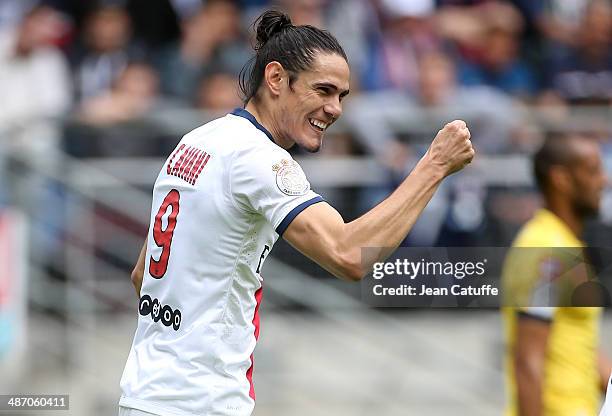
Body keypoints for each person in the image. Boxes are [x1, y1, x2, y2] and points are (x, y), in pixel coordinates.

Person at [118, 10, 474, 416]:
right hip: (201, 402)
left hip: (145, 392)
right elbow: (348, 254)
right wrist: (434, 167)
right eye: (323, 90)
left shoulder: (196, 141)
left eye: (341, 95)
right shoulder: (258, 159)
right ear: (275, 79)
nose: (335, 108)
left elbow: (143, 274)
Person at [501, 133, 611, 416]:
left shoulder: (564, 244)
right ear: (561, 179)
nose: (604, 181)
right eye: (592, 170)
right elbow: (527, 361)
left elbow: (581, 350)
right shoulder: (546, 251)